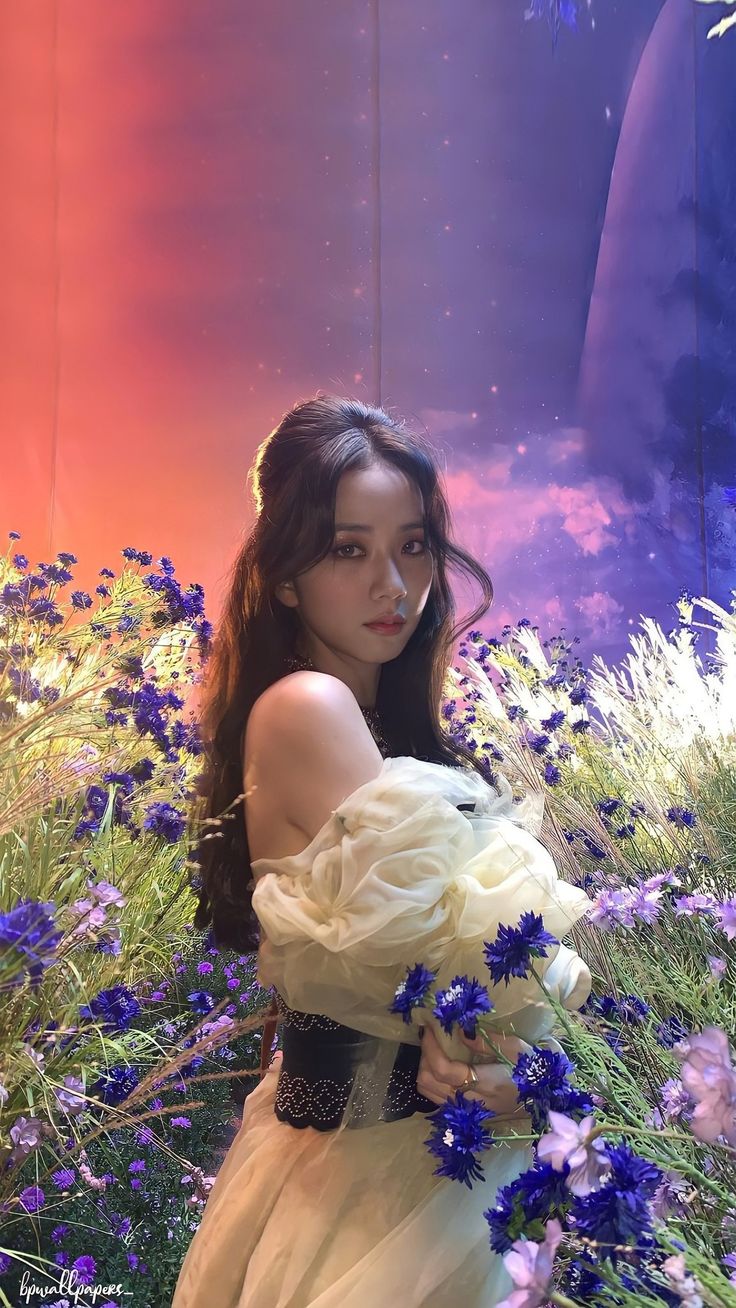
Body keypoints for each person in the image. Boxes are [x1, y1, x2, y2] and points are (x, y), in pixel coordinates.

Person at [172, 394, 592, 1308]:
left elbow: (444, 974)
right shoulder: (309, 708)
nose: (393, 586)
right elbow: (469, 955)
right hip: (376, 1181)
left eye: (413, 546)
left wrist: (501, 1059)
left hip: (410, 1158)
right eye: (347, 549)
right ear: (283, 575)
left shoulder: (376, 725)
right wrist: (520, 1057)